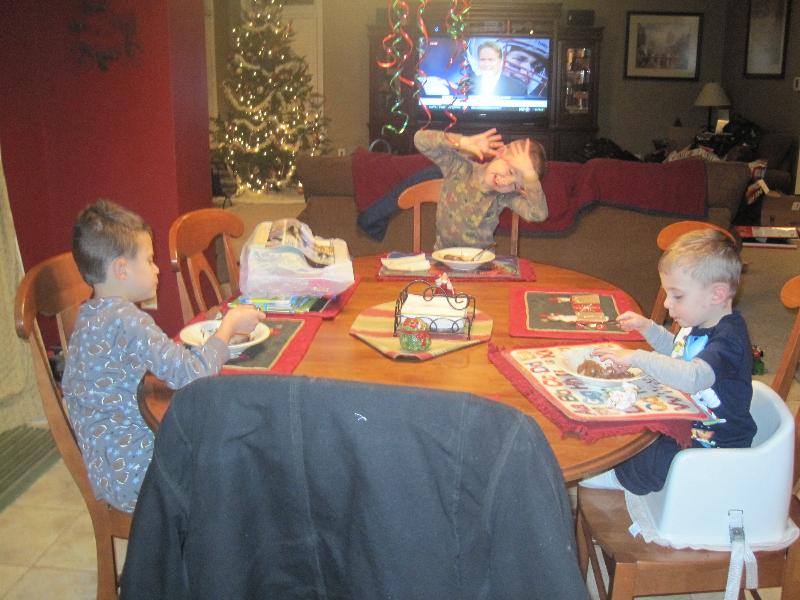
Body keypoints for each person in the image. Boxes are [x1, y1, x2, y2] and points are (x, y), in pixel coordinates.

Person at [61, 200, 265, 512]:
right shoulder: (127, 320)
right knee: (239, 450)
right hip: (143, 478)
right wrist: (227, 328)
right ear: (121, 269)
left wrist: (216, 335)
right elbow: (193, 375)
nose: (156, 269)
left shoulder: (89, 315)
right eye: (149, 260)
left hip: (111, 473)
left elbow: (165, 360)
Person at [580, 229, 756, 495]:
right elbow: (678, 352)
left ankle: (621, 478)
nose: (666, 304)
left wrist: (637, 357)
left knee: (655, 457)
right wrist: (648, 328)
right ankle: (621, 464)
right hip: (688, 423)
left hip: (716, 445)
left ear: (717, 294)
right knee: (633, 427)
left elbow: (693, 376)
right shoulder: (701, 320)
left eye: (677, 296)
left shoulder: (730, 338)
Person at [413, 128, 548, 250]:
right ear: (501, 152)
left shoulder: (503, 196)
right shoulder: (459, 167)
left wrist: (530, 177)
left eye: (515, 185)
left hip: (481, 262)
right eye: (511, 172)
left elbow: (538, 214)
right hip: (442, 256)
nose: (506, 182)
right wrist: (461, 142)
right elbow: (419, 139)